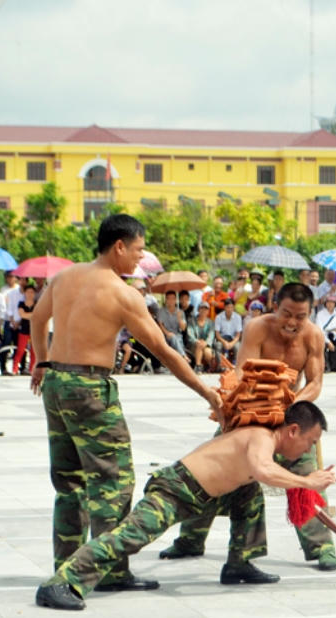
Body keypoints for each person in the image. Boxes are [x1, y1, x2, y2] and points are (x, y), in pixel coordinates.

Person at [29, 214, 223, 593]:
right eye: (137, 250)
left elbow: (37, 319)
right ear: (119, 246)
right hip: (90, 387)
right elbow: (164, 351)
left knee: (69, 484)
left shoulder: (64, 277)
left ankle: (66, 565)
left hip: (56, 383)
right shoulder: (123, 293)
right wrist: (207, 392)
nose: (140, 258)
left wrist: (42, 361)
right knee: (112, 481)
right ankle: (110, 570)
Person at [35, 402, 336, 610]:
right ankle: (63, 582)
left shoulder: (266, 440)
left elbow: (261, 475)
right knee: (132, 535)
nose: (309, 449)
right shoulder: (262, 437)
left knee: (249, 497)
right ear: (292, 430)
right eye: (310, 441)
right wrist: (307, 482)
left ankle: (239, 564)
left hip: (205, 495)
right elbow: (264, 470)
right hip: (176, 489)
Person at [160, 282, 336, 571]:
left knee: (307, 474)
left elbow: (315, 383)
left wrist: (291, 405)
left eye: (300, 316)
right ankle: (190, 539)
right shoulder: (257, 327)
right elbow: (243, 374)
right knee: (210, 468)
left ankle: (321, 546)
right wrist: (253, 405)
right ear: (275, 306)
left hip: (290, 418)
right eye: (286, 314)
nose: (292, 322)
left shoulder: (314, 336)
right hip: (251, 410)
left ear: (309, 314)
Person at [316, 294, 336, 372]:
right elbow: (320, 330)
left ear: (335, 304)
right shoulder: (320, 314)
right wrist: (328, 342)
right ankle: (325, 366)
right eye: (328, 302)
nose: (330, 304)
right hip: (324, 337)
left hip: (335, 336)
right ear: (325, 303)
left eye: (332, 302)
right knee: (322, 346)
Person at [12, 285, 37, 375]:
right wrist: (32, 315)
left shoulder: (37, 303)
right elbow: (22, 315)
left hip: (34, 330)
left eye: (32, 292)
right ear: (25, 293)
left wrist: (29, 315)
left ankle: (32, 369)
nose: (30, 294)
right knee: (20, 350)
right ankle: (15, 369)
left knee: (34, 351)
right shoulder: (21, 303)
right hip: (24, 330)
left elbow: (37, 315)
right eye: (28, 292)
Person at [187, 301, 217, 373]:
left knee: (208, 352)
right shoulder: (191, 321)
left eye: (206, 309)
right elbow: (190, 334)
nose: (203, 311)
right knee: (199, 345)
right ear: (198, 309)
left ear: (208, 311)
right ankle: (198, 366)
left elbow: (211, 335)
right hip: (194, 345)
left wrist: (206, 343)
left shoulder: (211, 323)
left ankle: (207, 366)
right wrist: (197, 341)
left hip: (206, 345)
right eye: (201, 308)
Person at [157, 290, 188, 358]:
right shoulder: (161, 311)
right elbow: (160, 324)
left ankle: (182, 357)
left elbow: (183, 328)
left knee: (175, 338)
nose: (171, 301)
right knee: (172, 337)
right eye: (169, 299)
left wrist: (180, 319)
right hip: (165, 336)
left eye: (173, 298)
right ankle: (183, 356)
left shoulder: (180, 312)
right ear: (166, 300)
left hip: (177, 336)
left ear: (175, 300)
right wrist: (167, 333)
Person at [213, 297, 243, 363]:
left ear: (233, 307)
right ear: (224, 307)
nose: (229, 309)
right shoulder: (218, 317)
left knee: (237, 347)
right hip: (222, 339)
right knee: (218, 346)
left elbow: (238, 335)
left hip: (233, 339)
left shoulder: (238, 317)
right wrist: (224, 342)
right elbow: (217, 334)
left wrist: (231, 343)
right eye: (228, 307)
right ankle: (220, 365)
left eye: (231, 307)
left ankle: (236, 365)